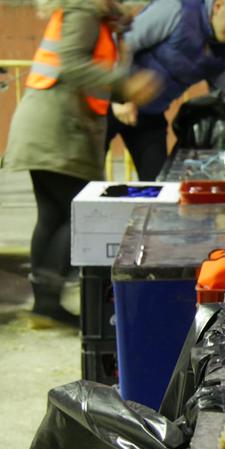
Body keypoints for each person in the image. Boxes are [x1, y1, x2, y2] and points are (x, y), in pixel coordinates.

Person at [1, 0, 160, 328]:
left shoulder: (97, 18)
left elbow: (88, 72)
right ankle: (51, 304)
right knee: (78, 215)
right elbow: (72, 64)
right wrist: (125, 84)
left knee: (54, 215)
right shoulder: (83, 12)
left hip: (49, 126)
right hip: (57, 129)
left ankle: (45, 305)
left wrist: (119, 34)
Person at [106, 0, 225, 181]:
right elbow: (124, 42)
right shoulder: (177, 9)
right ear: (218, 6)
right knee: (83, 178)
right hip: (109, 102)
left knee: (161, 186)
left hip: (150, 117)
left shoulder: (223, 55)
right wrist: (119, 96)